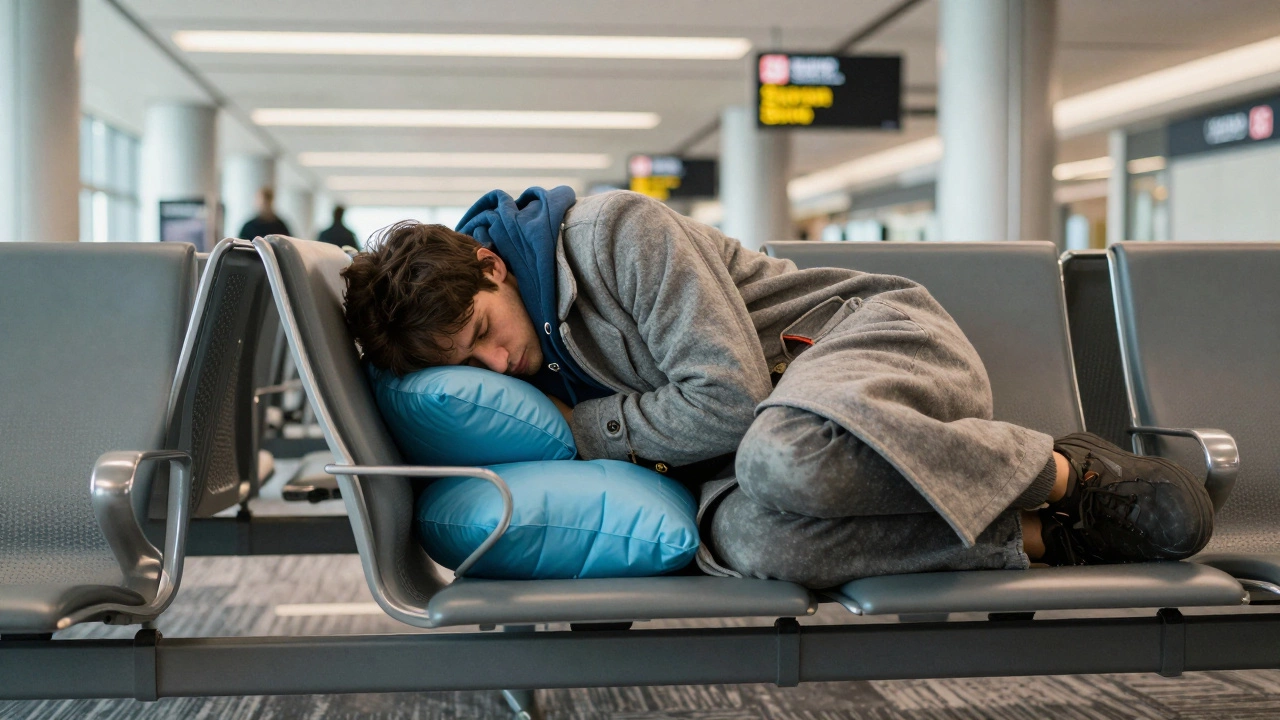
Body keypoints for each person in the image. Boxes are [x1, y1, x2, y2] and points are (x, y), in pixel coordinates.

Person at [340, 187, 1213, 588]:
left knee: (784, 455)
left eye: (484, 335)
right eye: (468, 367)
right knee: (756, 543)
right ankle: (1041, 540)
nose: (497, 367)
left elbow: (726, 396)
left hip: (860, 345)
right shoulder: (519, 342)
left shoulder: (612, 235)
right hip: (754, 451)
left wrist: (586, 431)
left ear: (492, 266)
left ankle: (1067, 474)